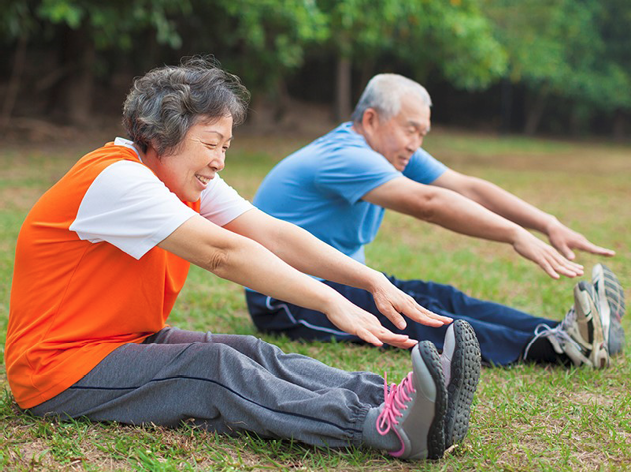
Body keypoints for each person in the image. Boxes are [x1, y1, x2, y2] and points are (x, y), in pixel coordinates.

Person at [6, 58, 483, 462]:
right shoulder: (117, 180)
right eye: (211, 143)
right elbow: (222, 253)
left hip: (119, 340)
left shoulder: (182, 179)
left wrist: (369, 279)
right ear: (162, 134)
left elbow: (271, 232)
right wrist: (328, 300)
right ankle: (383, 427)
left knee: (249, 351)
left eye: (225, 147)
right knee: (213, 367)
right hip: (57, 371)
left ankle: (395, 399)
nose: (219, 161)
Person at [246, 73, 626, 369]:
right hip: (286, 298)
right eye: (410, 129)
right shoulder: (345, 156)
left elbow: (466, 188)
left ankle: (569, 331)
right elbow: (429, 203)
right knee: (420, 316)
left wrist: (547, 223)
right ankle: (555, 348)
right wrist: (513, 234)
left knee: (442, 298)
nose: (416, 142)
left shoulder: (390, 150)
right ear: (371, 119)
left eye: (423, 133)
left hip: (342, 279)